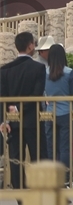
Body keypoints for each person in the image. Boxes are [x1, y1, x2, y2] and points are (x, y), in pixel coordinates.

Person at [1, 33, 47, 188]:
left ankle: (20, 191)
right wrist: (21, 107)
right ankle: (41, 188)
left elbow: (2, 96)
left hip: (13, 121)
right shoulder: (38, 68)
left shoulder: (5, 70)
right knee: (38, 156)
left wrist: (5, 119)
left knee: (16, 157)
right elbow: (36, 94)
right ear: (30, 46)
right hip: (33, 120)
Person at [41, 44, 73, 180]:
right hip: (66, 113)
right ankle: (64, 178)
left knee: (51, 148)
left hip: (49, 113)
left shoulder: (44, 73)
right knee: (65, 148)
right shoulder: (70, 73)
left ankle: (52, 178)